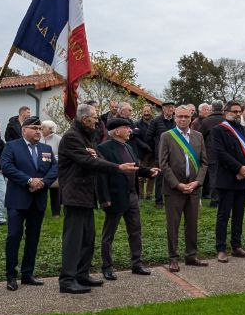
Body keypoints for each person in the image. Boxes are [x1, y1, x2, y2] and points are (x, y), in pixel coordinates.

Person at [57, 104, 140, 294]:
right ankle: (67, 280)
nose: (97, 121)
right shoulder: (72, 137)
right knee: (73, 239)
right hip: (74, 195)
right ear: (85, 119)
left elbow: (96, 157)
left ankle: (82, 274)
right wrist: (118, 168)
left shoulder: (87, 137)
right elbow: (88, 161)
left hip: (86, 195)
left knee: (87, 238)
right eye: (95, 118)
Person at [95, 117, 158, 279]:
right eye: (127, 128)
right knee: (109, 235)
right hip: (115, 197)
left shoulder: (129, 147)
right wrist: (104, 199)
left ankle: (137, 264)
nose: (130, 130)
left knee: (135, 231)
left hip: (132, 196)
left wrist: (148, 171)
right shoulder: (103, 148)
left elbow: (135, 168)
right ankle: (107, 267)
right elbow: (101, 175)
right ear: (117, 131)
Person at [0, 116, 58, 290]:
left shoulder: (46, 148)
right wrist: (28, 180)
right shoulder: (12, 146)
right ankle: (11, 276)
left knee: (33, 238)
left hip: (38, 199)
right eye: (34, 128)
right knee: (14, 237)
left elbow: (55, 168)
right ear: (24, 130)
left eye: (40, 128)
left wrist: (42, 182)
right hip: (18, 199)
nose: (38, 131)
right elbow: (7, 167)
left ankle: (28, 274)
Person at [157, 104, 208, 272]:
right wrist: (177, 184)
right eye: (179, 116)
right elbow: (163, 164)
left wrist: (197, 182)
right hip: (174, 189)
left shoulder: (198, 136)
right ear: (175, 117)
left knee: (192, 224)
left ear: (191, 118)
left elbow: (204, 163)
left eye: (186, 116)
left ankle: (191, 256)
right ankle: (173, 258)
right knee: (173, 225)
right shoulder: (167, 136)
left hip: (193, 188)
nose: (183, 119)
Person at [212, 101, 245, 262]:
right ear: (226, 112)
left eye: (240, 111)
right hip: (227, 179)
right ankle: (221, 248)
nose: (238, 114)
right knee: (224, 215)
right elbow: (220, 153)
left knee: (239, 214)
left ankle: (236, 246)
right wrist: (239, 168)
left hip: (243, 180)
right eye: (235, 111)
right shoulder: (218, 130)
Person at [40, 120, 63, 217]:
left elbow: (62, 153)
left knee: (55, 191)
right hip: (41, 167)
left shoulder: (58, 139)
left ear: (50, 129)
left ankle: (56, 213)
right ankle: (40, 211)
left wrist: (53, 159)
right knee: (41, 190)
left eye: (43, 127)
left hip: (54, 166)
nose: (41, 129)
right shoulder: (39, 138)